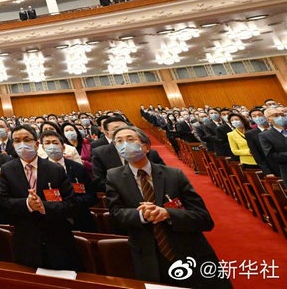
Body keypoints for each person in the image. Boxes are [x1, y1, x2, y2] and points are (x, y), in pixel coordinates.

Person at [105, 126, 230, 288]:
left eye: (130, 139)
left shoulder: (174, 175)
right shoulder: (114, 177)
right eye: (119, 141)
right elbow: (116, 214)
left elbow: (204, 218)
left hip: (189, 250)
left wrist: (167, 213)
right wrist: (142, 215)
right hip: (149, 256)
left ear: (146, 146)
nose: (125, 145)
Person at [0, 124, 78, 271]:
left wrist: (44, 206)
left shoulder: (55, 169)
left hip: (57, 237)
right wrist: (27, 204)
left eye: (26, 139)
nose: (22, 144)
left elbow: (71, 204)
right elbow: (4, 202)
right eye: (17, 141)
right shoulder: (7, 170)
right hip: (26, 239)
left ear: (36, 144)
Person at [39, 130, 97, 232]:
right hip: (53, 222)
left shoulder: (78, 168)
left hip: (81, 218)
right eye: (47, 143)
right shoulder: (39, 170)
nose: (52, 146)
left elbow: (92, 196)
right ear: (43, 148)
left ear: (63, 147)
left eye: (55, 143)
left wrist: (71, 203)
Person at [259, 106, 287, 182]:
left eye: (282, 115)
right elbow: (272, 156)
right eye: (276, 115)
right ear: (268, 119)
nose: (280, 117)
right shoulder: (265, 135)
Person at [245, 107, 272, 175]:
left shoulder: (275, 127)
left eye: (260, 115)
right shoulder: (250, 134)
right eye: (254, 116)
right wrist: (267, 172)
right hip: (271, 166)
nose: (258, 117)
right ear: (252, 119)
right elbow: (256, 154)